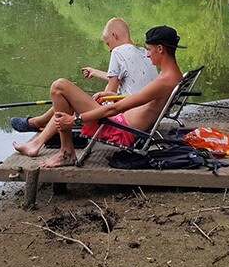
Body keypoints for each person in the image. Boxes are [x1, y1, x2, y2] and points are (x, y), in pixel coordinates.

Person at [12, 25, 185, 168]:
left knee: (59, 87)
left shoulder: (164, 81)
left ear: (160, 49)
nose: (147, 54)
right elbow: (139, 99)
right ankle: (50, 144)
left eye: (149, 50)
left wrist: (75, 121)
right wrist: (113, 95)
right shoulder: (173, 76)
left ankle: (66, 152)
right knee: (66, 93)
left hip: (120, 129)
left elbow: (115, 109)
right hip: (126, 122)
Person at [10, 17, 157, 133]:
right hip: (144, 115)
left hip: (125, 117)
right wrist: (95, 72)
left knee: (66, 94)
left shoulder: (118, 52)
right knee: (75, 97)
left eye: (108, 43)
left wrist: (88, 101)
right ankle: (38, 122)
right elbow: (126, 78)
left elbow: (110, 91)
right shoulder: (145, 53)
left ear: (114, 35)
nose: (109, 49)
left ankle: (37, 123)